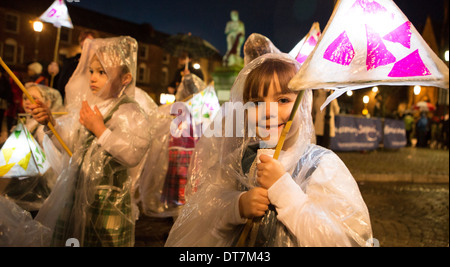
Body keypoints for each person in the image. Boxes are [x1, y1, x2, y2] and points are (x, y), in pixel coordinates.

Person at [165, 53, 373, 247]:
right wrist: (236, 206)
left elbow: (347, 240)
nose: (268, 113)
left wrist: (283, 190)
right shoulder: (238, 161)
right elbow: (202, 218)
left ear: (302, 104)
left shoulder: (322, 165)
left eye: (283, 100)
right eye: (256, 102)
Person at [30, 36, 152, 247]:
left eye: (102, 72)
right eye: (92, 70)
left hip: (107, 201)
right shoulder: (89, 106)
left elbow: (133, 154)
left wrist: (100, 130)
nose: (93, 78)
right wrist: (51, 124)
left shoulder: (128, 111)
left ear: (125, 78)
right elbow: (72, 145)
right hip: (77, 196)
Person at [1, 83, 62, 217]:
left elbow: (52, 160)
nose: (28, 101)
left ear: (47, 101)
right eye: (25, 97)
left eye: (34, 98)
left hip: (37, 189)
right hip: (22, 185)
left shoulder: (42, 128)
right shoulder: (28, 122)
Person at [49, 31, 96, 102]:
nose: (87, 43)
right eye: (83, 39)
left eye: (90, 40)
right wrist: (54, 74)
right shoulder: (70, 62)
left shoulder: (97, 64)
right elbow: (61, 83)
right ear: (80, 43)